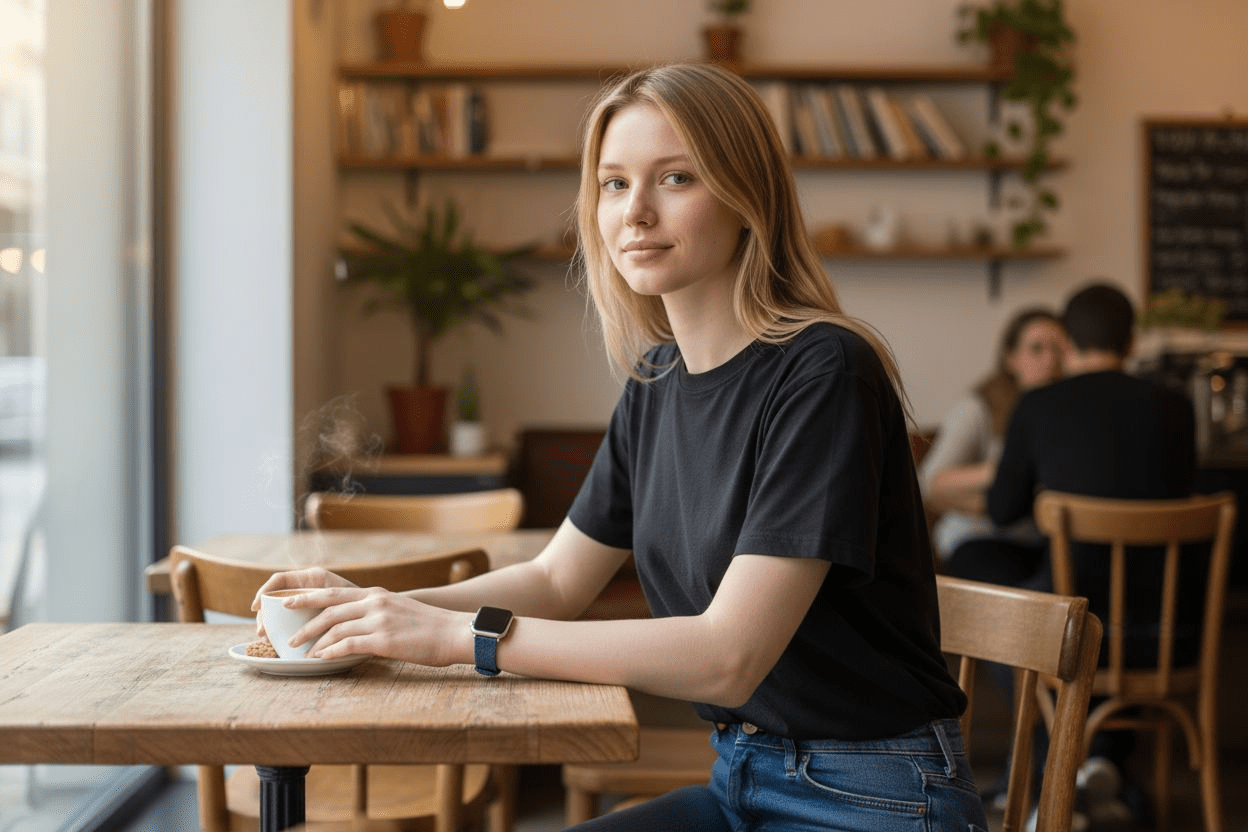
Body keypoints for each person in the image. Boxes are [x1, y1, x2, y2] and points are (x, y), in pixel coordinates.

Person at [256, 62, 986, 832]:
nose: (634, 213)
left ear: (749, 197)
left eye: (675, 178)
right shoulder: (657, 377)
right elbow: (557, 579)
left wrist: (457, 640)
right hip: (742, 778)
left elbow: (728, 655)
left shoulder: (824, 371)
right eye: (612, 184)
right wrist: (375, 611)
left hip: (875, 797)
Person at [986, 282, 1198, 826]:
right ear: (1131, 340)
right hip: (1168, 633)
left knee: (1010, 600)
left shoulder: (1038, 405)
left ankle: (1048, 784)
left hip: (1076, 635)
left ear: (1068, 342)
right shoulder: (1176, 407)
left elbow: (1002, 507)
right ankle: (1106, 774)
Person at [919, 307, 1065, 585]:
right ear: (1010, 358)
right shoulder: (978, 407)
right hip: (981, 537)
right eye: (1036, 349)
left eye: (1058, 349)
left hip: (1044, 539)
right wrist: (1006, 472)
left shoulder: (1067, 409)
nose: (1050, 359)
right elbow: (927, 482)